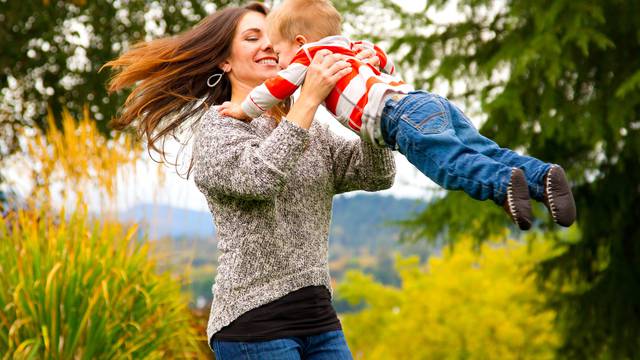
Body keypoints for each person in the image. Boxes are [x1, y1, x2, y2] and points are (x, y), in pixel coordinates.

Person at [102, 2, 395, 359]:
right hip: (254, 324)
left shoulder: (310, 130)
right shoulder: (219, 126)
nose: (268, 45)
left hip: (319, 317)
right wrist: (307, 102)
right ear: (225, 61)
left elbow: (376, 173)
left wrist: (371, 102)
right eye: (252, 37)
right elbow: (259, 179)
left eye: (272, 37)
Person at [220, 0, 577, 231]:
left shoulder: (309, 57)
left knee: (448, 163)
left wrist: (242, 109)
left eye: (277, 49)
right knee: (481, 148)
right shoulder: (353, 46)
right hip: (423, 101)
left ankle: (501, 184)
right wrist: (376, 60)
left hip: (397, 117)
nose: (276, 57)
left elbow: (276, 88)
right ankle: (541, 175)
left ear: (298, 42)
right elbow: (384, 61)